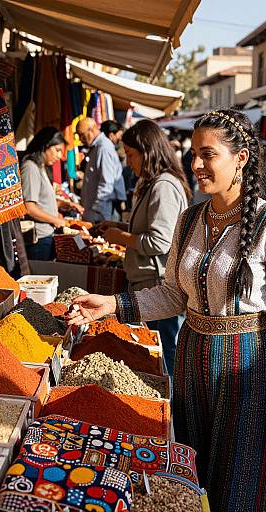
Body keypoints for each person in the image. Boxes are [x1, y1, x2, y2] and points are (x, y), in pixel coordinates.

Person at [67, 109, 266, 512]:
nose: (196, 164)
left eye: (208, 154)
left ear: (241, 159)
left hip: (247, 372)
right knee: (194, 478)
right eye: (194, 154)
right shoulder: (190, 219)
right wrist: (110, 306)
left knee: (240, 483)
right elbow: (172, 296)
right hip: (192, 365)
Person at [97, 119, 191, 375]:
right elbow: (148, 229)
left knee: (162, 357)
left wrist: (121, 237)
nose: (128, 162)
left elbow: (160, 241)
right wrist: (118, 226)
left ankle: (170, 408)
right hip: (147, 282)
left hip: (156, 285)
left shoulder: (164, 187)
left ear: (146, 152)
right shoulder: (153, 184)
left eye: (130, 155)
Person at [20, 127, 84, 260]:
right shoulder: (30, 167)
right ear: (45, 145)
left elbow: (40, 201)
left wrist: (64, 204)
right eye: (57, 150)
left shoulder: (40, 167)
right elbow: (29, 207)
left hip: (46, 237)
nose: (60, 156)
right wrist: (56, 220)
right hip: (39, 239)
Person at [76, 117, 123, 222]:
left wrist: (96, 211)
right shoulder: (97, 147)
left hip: (100, 214)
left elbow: (106, 183)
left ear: (91, 130)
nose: (80, 139)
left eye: (81, 135)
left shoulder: (103, 148)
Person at [100, 120, 127, 218]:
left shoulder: (109, 149)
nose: (120, 138)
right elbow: (107, 180)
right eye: (119, 135)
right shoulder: (106, 150)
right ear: (111, 135)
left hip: (113, 199)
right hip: (110, 200)